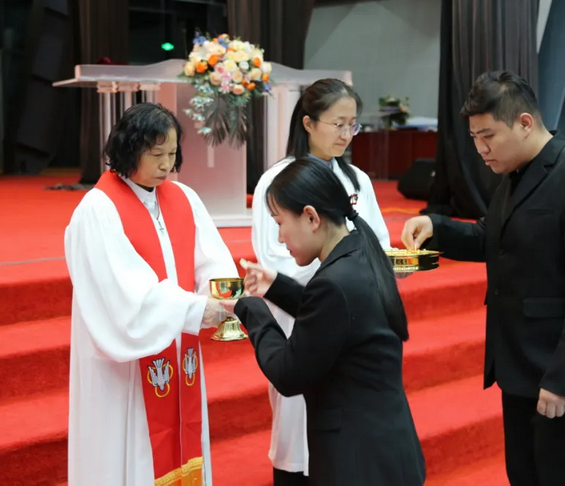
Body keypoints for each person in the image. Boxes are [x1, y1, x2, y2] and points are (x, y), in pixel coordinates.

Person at [401, 70, 565, 486]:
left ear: (525, 123)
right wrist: (437, 228)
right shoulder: (516, 174)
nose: (480, 149)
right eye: (474, 138)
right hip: (523, 368)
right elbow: (495, 237)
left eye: (488, 136)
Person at [222, 157, 425, 485]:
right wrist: (276, 287)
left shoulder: (334, 281)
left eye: (280, 223)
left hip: (356, 461)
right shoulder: (360, 253)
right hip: (387, 448)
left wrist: (250, 309)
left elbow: (288, 374)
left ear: (311, 217)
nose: (280, 238)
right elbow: (336, 319)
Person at [64, 102, 237, 486]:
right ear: (128, 150)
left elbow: (212, 258)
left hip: (177, 345)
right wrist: (195, 309)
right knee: (131, 452)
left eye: (172, 154)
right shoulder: (98, 209)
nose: (165, 165)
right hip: (128, 363)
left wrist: (223, 293)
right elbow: (125, 292)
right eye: (155, 154)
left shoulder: (183, 198)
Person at [250, 78, 394, 485]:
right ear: (309, 123)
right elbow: (278, 257)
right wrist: (342, 269)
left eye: (353, 125)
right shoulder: (277, 181)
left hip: (355, 321)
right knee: (298, 433)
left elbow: (378, 243)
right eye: (338, 124)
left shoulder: (358, 181)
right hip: (304, 318)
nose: (347, 135)